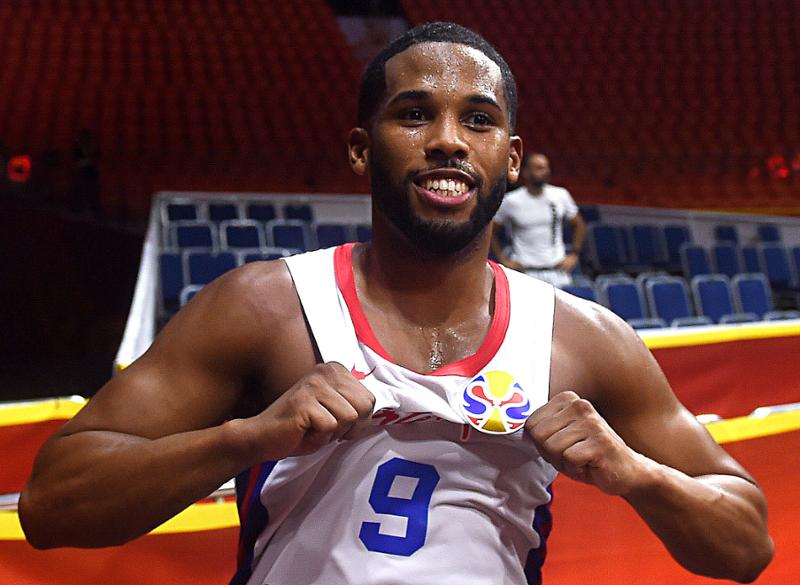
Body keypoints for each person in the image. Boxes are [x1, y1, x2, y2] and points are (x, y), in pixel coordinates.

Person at [20, 22, 772, 585]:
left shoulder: (582, 338)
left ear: (510, 157)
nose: (448, 141)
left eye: (478, 119)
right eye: (414, 114)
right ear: (361, 147)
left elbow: (746, 544)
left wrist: (634, 472)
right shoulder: (265, 307)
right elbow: (52, 504)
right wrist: (247, 437)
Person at [491, 153, 586, 288]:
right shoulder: (511, 201)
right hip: (525, 272)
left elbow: (579, 225)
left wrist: (574, 254)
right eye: (539, 168)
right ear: (526, 172)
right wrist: (502, 259)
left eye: (546, 168)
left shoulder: (560, 195)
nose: (545, 171)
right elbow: (491, 231)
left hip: (557, 271)